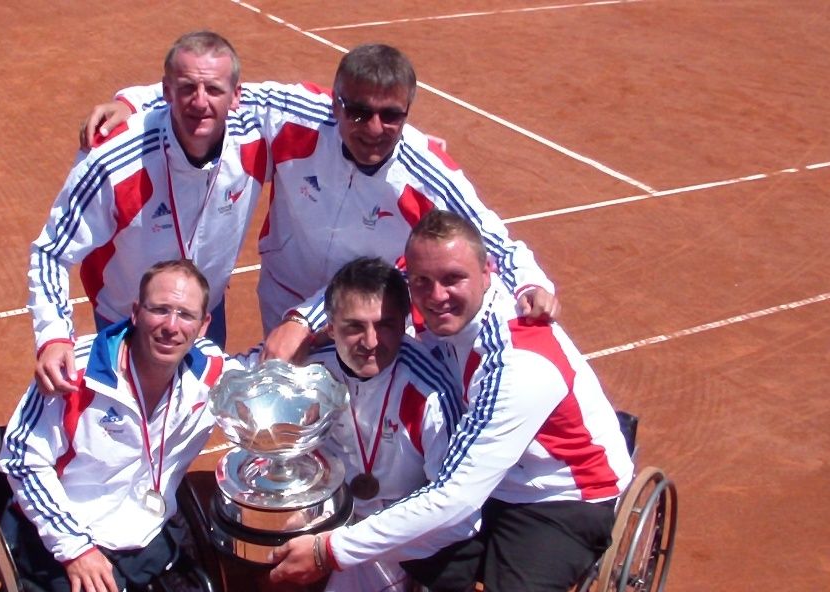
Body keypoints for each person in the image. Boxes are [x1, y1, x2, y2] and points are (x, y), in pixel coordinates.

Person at [267, 210, 635, 592]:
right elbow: (369, 284)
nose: (435, 296)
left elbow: (454, 496)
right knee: (421, 555)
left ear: (487, 274)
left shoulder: (517, 366)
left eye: (453, 279)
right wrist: (304, 321)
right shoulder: (436, 294)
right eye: (422, 282)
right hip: (490, 469)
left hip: (558, 496)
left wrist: (327, 551)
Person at [81, 44, 560, 359]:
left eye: (391, 115)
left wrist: (530, 282)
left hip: (366, 314)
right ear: (335, 103)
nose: (374, 129)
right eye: (359, 112)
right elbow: (209, 91)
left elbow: (487, 232)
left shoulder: (425, 167)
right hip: (285, 297)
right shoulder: (298, 115)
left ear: (407, 113)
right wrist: (134, 103)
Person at [238, 257, 471, 592]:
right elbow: (229, 374)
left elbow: (446, 496)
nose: (371, 342)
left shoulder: (431, 390)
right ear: (328, 326)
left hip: (403, 515)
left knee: (436, 570)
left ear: (405, 323)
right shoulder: (306, 368)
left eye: (385, 325)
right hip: (332, 504)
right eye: (353, 327)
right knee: (269, 556)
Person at [0, 259, 232, 592]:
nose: (171, 326)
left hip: (146, 523)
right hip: (73, 528)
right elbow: (20, 459)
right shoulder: (73, 372)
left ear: (203, 324)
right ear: (136, 311)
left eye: (185, 315)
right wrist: (75, 549)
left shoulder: (212, 370)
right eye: (160, 309)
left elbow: (262, 387)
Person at [30, 31, 266, 397]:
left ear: (237, 95)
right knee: (126, 422)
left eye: (214, 90)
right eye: (186, 89)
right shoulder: (113, 160)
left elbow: (341, 107)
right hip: (128, 322)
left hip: (204, 317)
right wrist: (54, 335)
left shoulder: (258, 136)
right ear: (167, 91)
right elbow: (51, 251)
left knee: (194, 413)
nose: (200, 102)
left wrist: (130, 99)